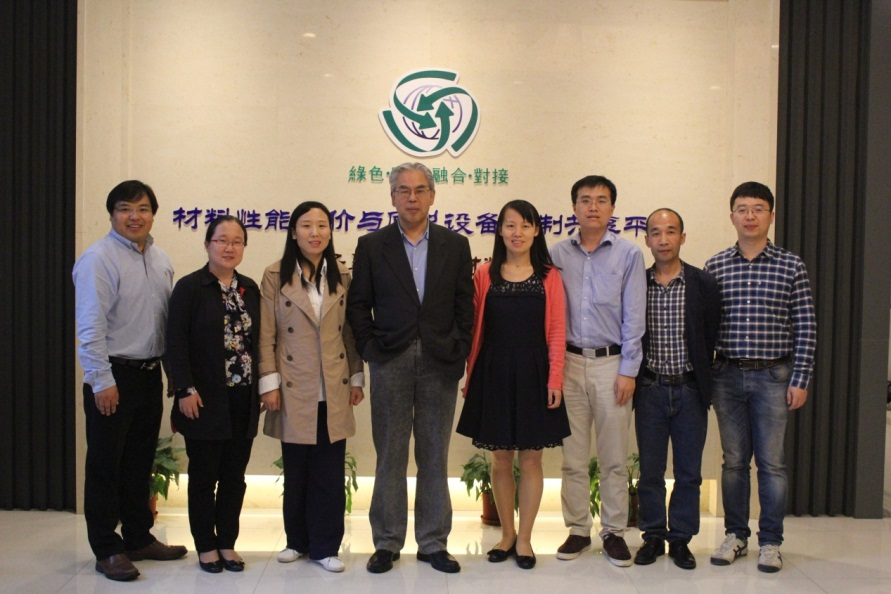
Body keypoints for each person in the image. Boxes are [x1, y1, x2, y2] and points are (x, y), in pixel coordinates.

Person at [347, 162, 474, 575]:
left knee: (434, 453)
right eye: (403, 190)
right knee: (390, 453)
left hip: (440, 360)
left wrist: (460, 349)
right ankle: (386, 542)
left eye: (420, 190)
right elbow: (358, 305)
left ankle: (433, 542)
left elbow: (465, 304)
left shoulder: (455, 245)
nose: (412, 197)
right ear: (392, 197)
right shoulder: (372, 245)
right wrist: (371, 349)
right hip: (390, 358)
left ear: (432, 195)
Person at [73, 180, 187, 582]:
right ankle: (107, 548)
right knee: (106, 464)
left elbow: (165, 325)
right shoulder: (98, 259)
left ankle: (138, 537)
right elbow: (90, 326)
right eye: (125, 209)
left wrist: (171, 375)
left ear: (153, 214)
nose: (134, 216)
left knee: (139, 461)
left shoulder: (160, 260)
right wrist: (100, 379)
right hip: (112, 374)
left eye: (142, 209)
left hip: (148, 374)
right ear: (112, 214)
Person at [705, 182, 816, 573]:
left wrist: (800, 378)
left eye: (757, 208)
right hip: (727, 376)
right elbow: (705, 327)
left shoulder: (791, 265)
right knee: (734, 462)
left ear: (771, 215)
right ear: (731, 216)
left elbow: (806, 325)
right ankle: (736, 535)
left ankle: (770, 541)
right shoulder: (716, 266)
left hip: (774, 375)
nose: (749, 216)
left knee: (772, 463)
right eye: (742, 209)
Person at [457, 200, 570, 570]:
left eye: (525, 225)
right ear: (500, 231)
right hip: (493, 372)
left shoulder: (549, 276)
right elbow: (474, 329)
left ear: (536, 230)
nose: (517, 232)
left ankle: (525, 539)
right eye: (510, 225)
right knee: (500, 458)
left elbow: (557, 332)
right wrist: (470, 376)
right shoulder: (485, 273)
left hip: (536, 373)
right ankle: (506, 534)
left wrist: (555, 378)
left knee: (532, 457)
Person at [259, 202, 365, 573]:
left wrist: (356, 376)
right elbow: (266, 334)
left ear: (330, 232)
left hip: (333, 384)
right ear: (293, 232)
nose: (315, 232)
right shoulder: (275, 274)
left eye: (322, 225)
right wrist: (269, 383)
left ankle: (326, 546)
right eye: (306, 225)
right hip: (293, 385)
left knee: (330, 472)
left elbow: (349, 330)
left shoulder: (341, 274)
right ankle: (296, 541)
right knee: (296, 469)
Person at [550, 175, 646, 567]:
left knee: (613, 458)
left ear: (612, 208)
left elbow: (635, 316)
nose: (593, 206)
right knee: (572, 457)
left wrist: (629, 370)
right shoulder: (556, 254)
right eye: (585, 200)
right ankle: (577, 530)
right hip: (569, 363)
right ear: (574, 207)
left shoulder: (628, 254)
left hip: (612, 365)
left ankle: (614, 532)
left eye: (601, 200)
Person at [164, 215, 261, 574]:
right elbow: (175, 343)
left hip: (243, 399)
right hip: (203, 400)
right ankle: (206, 546)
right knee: (205, 477)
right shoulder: (190, 287)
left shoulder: (249, 288)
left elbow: (259, 341)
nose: (229, 247)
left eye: (237, 241)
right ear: (207, 244)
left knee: (235, 477)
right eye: (222, 240)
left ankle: (227, 543)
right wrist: (184, 389)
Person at [632, 209, 720, 570]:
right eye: (656, 233)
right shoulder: (637, 283)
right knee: (650, 471)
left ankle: (681, 538)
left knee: (688, 473)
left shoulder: (702, 283)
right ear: (647, 240)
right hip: (650, 389)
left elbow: (711, 334)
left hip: (689, 390)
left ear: (683, 237)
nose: (663, 239)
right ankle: (653, 535)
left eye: (671, 232)